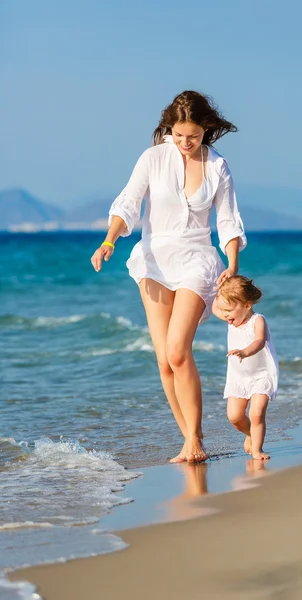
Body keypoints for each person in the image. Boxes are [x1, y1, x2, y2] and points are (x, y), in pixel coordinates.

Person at [91, 91, 246, 463]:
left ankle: (194, 438)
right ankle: (191, 439)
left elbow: (227, 218)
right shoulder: (153, 158)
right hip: (154, 259)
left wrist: (233, 263)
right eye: (178, 135)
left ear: (205, 130)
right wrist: (109, 241)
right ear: (169, 129)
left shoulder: (217, 165)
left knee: (178, 350)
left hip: (196, 258)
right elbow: (129, 201)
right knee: (164, 361)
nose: (184, 143)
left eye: (192, 136)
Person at [212, 276, 279, 460]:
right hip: (238, 377)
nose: (225, 315)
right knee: (234, 417)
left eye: (229, 310)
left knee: (256, 413)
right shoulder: (231, 320)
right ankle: (251, 434)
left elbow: (259, 340)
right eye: (223, 310)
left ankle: (257, 450)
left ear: (247, 305)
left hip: (261, 375)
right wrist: (220, 287)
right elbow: (214, 307)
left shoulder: (258, 320)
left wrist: (244, 352)